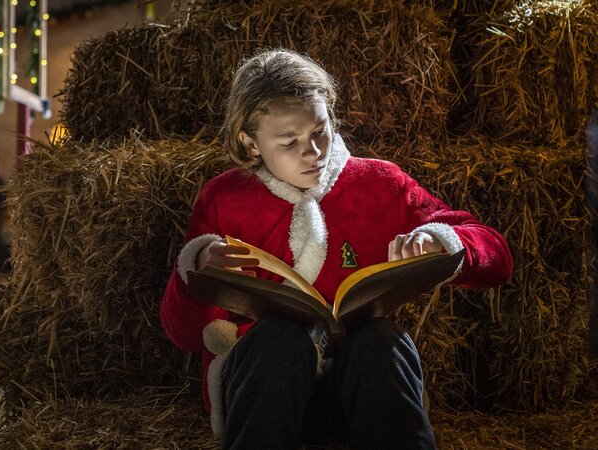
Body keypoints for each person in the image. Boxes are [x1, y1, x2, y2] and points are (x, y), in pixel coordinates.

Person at [159, 49, 513, 449]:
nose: (313, 153)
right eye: (289, 142)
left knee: (379, 340)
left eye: (320, 131)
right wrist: (200, 269)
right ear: (250, 141)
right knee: (277, 340)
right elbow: (182, 333)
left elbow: (496, 257)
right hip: (265, 396)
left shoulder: (379, 183)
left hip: (363, 391)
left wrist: (442, 244)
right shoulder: (225, 198)